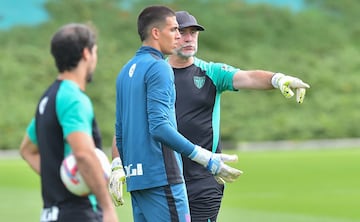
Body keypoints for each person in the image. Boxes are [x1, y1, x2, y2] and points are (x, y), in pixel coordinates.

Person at [166, 11, 311, 222]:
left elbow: (249, 77)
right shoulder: (155, 75)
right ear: (168, 36)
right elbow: (129, 121)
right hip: (164, 178)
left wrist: (278, 79)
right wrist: (118, 163)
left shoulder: (211, 72)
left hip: (204, 179)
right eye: (182, 33)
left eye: (194, 33)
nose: (189, 38)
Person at [108, 5, 242, 222]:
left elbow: (120, 128)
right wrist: (205, 158)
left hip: (138, 182)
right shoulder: (159, 67)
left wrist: (118, 166)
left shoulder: (127, 70)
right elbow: (159, 127)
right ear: (155, 33)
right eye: (173, 30)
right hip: (164, 178)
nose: (179, 36)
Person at [19, 23, 118, 222]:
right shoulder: (73, 99)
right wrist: (107, 207)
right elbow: (83, 154)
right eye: (95, 51)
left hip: (51, 214)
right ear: (86, 54)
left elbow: (27, 150)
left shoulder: (48, 98)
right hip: (78, 214)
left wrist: (66, 179)